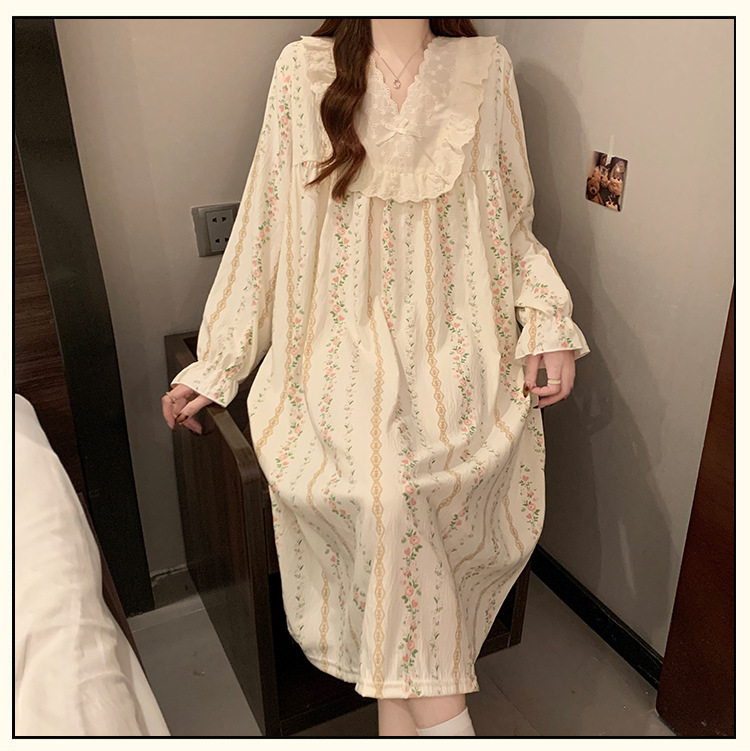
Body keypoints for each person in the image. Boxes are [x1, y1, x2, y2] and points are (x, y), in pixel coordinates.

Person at [161, 18, 590, 737]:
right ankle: (451, 724)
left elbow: (513, 221)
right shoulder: (300, 72)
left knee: (406, 495)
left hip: (458, 349)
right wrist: (220, 363)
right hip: (338, 351)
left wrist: (548, 321)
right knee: (389, 494)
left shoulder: (487, 70)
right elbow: (264, 230)